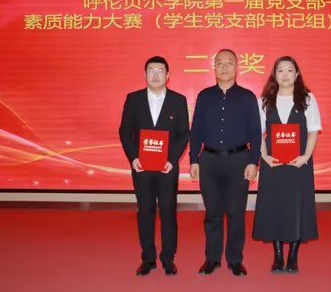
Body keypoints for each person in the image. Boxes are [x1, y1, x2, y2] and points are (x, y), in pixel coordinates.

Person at [188, 49, 262, 275]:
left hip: (239, 160)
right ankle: (212, 259)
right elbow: (196, 130)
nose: (224, 67)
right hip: (209, 160)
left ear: (237, 67)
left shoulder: (247, 97)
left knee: (236, 212)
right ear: (214, 67)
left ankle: (235, 260)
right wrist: (194, 159)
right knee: (212, 212)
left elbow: (255, 133)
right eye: (220, 63)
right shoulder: (204, 96)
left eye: (229, 63)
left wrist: (253, 161)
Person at [117, 56, 191, 276]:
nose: (156, 75)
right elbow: (125, 131)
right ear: (145, 74)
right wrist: (133, 157)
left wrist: (172, 159)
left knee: (168, 211)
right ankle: (147, 259)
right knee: (145, 211)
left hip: (167, 167)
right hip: (142, 167)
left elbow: (183, 134)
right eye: (151, 70)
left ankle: (168, 259)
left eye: (160, 71)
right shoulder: (134, 99)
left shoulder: (178, 100)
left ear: (168, 76)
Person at [253, 55, 320, 273]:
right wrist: (264, 156)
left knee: (297, 208)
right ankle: (278, 255)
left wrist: (305, 157)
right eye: (280, 70)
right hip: (272, 164)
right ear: (274, 75)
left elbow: (313, 131)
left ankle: (293, 255)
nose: (285, 75)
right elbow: (257, 133)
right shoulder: (264, 101)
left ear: (297, 74)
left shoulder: (307, 99)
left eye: (290, 70)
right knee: (274, 207)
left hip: (298, 164)